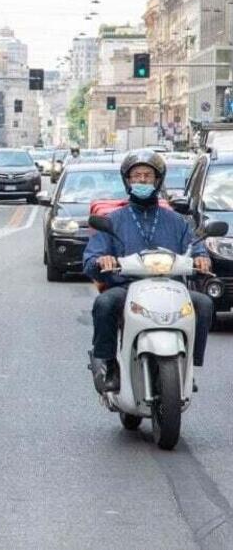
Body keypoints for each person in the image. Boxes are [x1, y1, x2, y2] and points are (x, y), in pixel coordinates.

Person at [83, 150, 213, 394]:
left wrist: (202, 259)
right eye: (136, 176)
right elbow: (90, 259)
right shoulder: (113, 220)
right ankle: (109, 364)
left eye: (147, 176)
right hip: (126, 288)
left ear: (158, 180)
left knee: (204, 304)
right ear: (127, 181)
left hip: (171, 288)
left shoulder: (176, 221)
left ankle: (188, 369)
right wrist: (103, 260)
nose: (142, 180)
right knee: (104, 303)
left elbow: (195, 247)